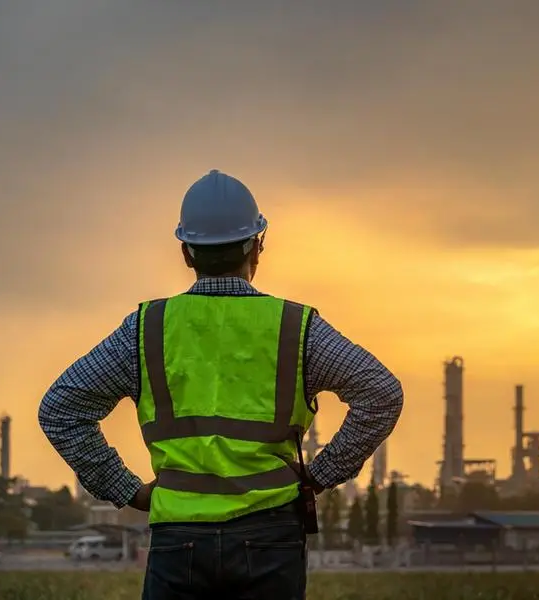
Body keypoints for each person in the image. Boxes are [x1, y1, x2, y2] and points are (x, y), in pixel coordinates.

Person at [38, 170, 404, 599]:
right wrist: (319, 476)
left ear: (186, 252)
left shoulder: (147, 329)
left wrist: (126, 490)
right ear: (257, 247)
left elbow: (60, 408)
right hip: (271, 536)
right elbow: (381, 393)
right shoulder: (295, 328)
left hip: (179, 538)